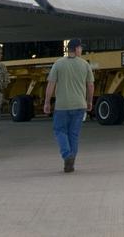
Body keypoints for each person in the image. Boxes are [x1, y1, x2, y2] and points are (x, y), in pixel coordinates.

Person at [44, 38, 95, 173]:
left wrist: (47, 102)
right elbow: (90, 85)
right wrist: (89, 101)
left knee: (60, 131)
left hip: (62, 106)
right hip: (79, 105)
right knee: (74, 134)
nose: (81, 50)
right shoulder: (85, 64)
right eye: (80, 48)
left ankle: (67, 156)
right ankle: (71, 160)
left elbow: (51, 84)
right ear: (77, 49)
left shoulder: (58, 64)